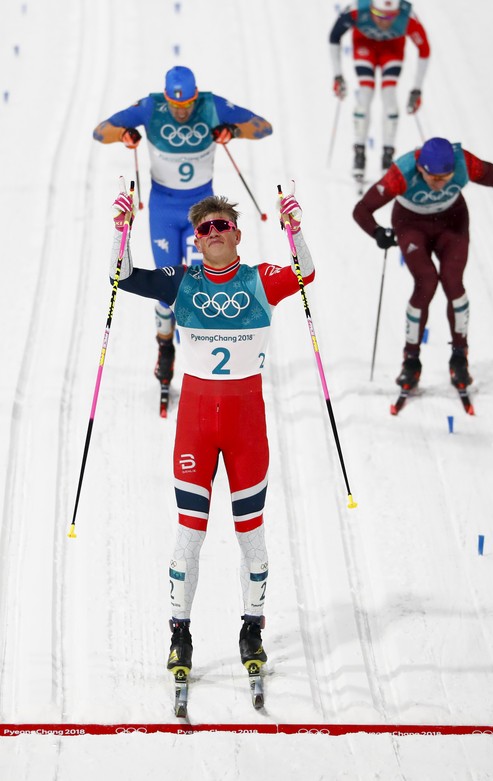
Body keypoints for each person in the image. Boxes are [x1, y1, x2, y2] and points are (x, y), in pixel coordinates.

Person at [108, 187, 314, 682]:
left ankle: (252, 628)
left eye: (223, 225)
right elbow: (122, 277)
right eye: (205, 229)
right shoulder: (181, 279)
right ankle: (180, 633)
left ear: (238, 233)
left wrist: (295, 228)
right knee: (188, 536)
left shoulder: (260, 279)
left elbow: (305, 274)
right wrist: (121, 230)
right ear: (195, 242)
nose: (214, 233)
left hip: (246, 426)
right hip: (197, 426)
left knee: (252, 538)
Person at [94, 65, 273, 393]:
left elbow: (262, 128)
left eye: (187, 104)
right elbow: (100, 131)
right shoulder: (151, 107)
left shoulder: (210, 104)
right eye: (176, 106)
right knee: (165, 289)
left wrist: (232, 130)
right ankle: (165, 347)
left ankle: (205, 355)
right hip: (163, 209)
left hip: (201, 211)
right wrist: (122, 134)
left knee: (196, 286)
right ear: (166, 99)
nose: (182, 111)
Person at [352, 136, 493, 389]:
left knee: (454, 283)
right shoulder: (402, 172)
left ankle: (459, 356)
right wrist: (378, 232)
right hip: (411, 223)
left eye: (446, 179)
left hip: (452, 220)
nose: (439, 184)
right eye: (434, 179)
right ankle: (411, 359)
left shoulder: (464, 162)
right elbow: (361, 209)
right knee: (426, 282)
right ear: (421, 168)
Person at [329, 0, 430, 179]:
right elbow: (334, 36)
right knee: (365, 96)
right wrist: (338, 75)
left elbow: (424, 49)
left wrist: (417, 89)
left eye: (391, 16)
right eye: (380, 15)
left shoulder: (408, 17)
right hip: (364, 45)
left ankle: (387, 156)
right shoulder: (357, 10)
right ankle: (359, 153)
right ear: (371, 9)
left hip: (392, 49)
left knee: (389, 97)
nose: (384, 21)